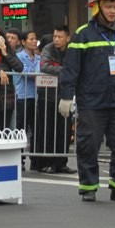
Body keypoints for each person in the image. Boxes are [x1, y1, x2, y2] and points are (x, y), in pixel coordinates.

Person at [58, 0, 115, 202]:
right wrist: (66, 96)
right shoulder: (83, 35)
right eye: (108, 6)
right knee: (88, 146)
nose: (113, 11)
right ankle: (89, 186)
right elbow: (71, 69)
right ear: (97, 7)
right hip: (92, 101)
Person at [40, 25, 76, 174]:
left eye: (60, 37)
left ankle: (62, 162)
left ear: (67, 38)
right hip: (48, 97)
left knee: (65, 132)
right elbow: (44, 66)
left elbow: (76, 66)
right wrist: (66, 71)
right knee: (50, 131)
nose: (56, 40)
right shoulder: (48, 49)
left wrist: (65, 71)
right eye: (55, 36)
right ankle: (51, 163)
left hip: (66, 97)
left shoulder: (72, 49)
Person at [16, 30, 42, 171]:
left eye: (35, 39)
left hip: (36, 96)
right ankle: (20, 159)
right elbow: (27, 73)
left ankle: (35, 160)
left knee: (36, 129)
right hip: (23, 96)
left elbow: (40, 72)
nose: (34, 41)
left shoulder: (38, 57)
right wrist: (37, 75)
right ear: (23, 41)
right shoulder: (19, 56)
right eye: (31, 39)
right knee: (22, 129)